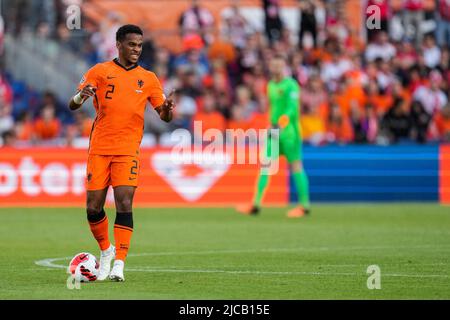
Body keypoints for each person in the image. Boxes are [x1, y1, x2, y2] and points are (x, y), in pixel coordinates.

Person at [68, 25, 175, 282]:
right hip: (99, 148)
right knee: (93, 207)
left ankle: (119, 264)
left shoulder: (148, 78)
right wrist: (81, 96)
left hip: (127, 150)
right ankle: (106, 250)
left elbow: (164, 115)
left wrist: (169, 109)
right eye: (132, 44)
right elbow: (72, 104)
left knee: (124, 202)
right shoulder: (100, 71)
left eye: (139, 45)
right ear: (119, 44)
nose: (136, 49)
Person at [237, 55, 311, 218]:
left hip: (290, 132)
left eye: (279, 65)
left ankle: (304, 206)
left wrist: (281, 123)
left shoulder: (291, 85)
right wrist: (271, 123)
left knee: (296, 166)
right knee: (266, 165)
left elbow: (292, 109)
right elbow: (274, 108)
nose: (276, 68)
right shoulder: (270, 85)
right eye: (274, 65)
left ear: (284, 66)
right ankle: (255, 204)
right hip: (275, 132)